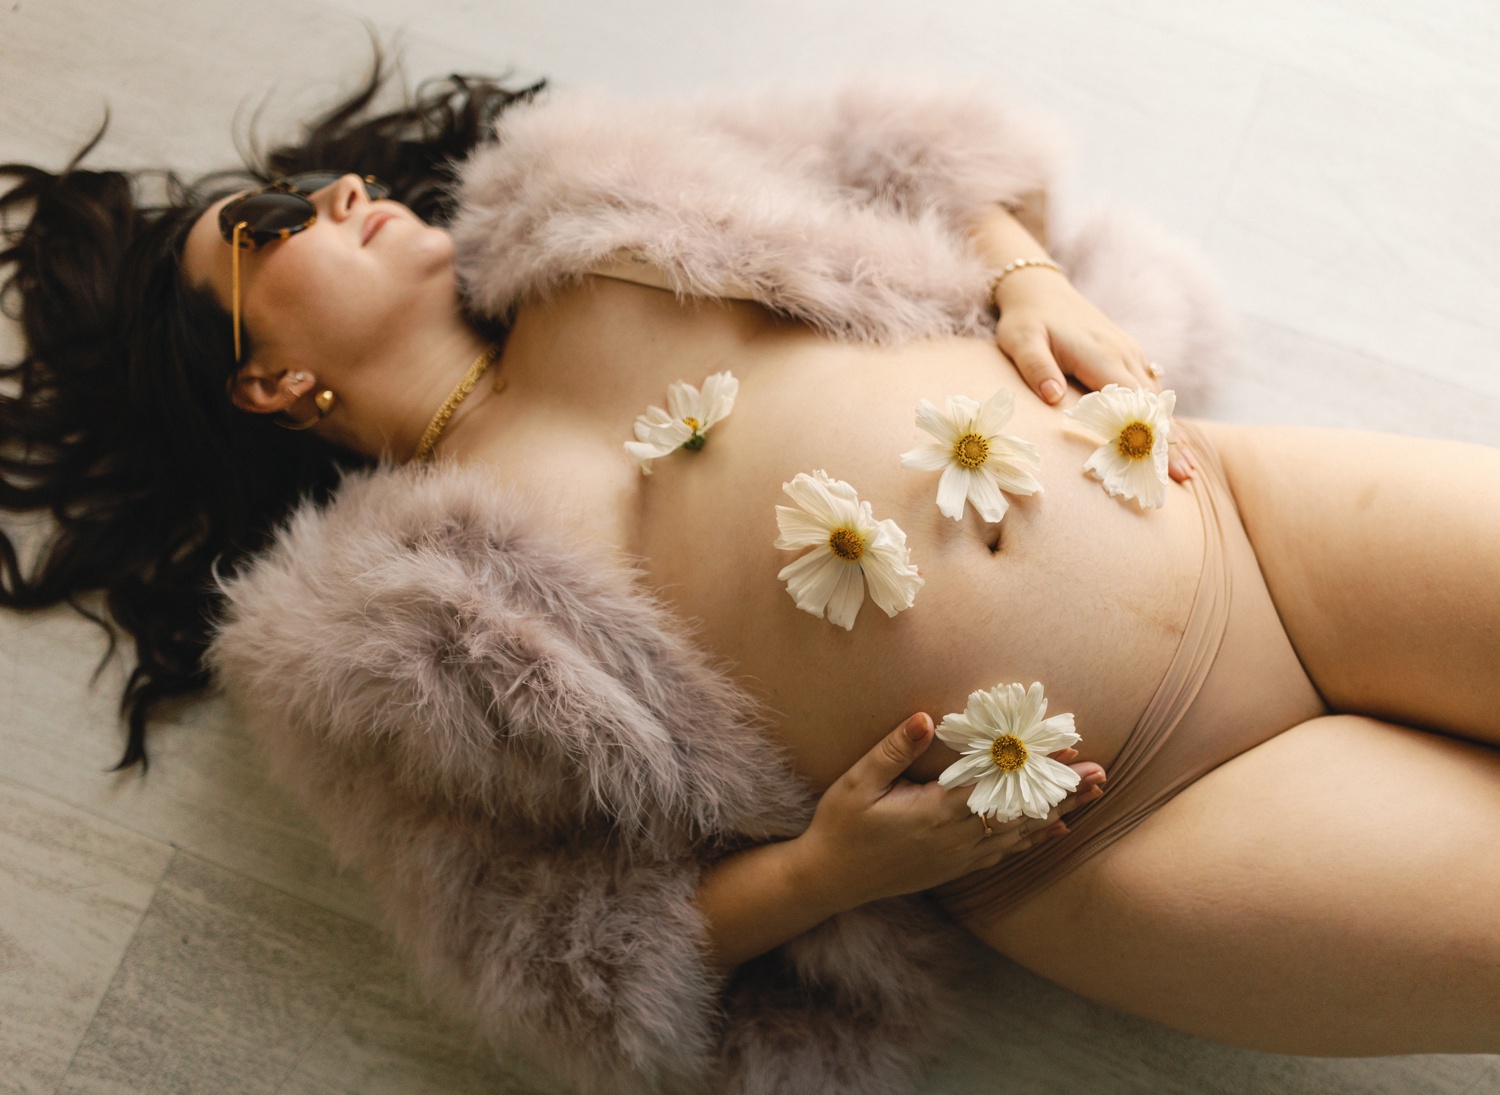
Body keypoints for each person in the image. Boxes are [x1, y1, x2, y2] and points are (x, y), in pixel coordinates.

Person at [2, 56, 1496, 1085]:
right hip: (1125, 831)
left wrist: (1030, 278)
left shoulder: (588, 202)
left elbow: (913, 160)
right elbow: (562, 964)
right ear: (264, 383)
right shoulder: (372, 639)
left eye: (315, 182)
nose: (329, 195)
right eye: (266, 229)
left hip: (1244, 516)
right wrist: (832, 874)